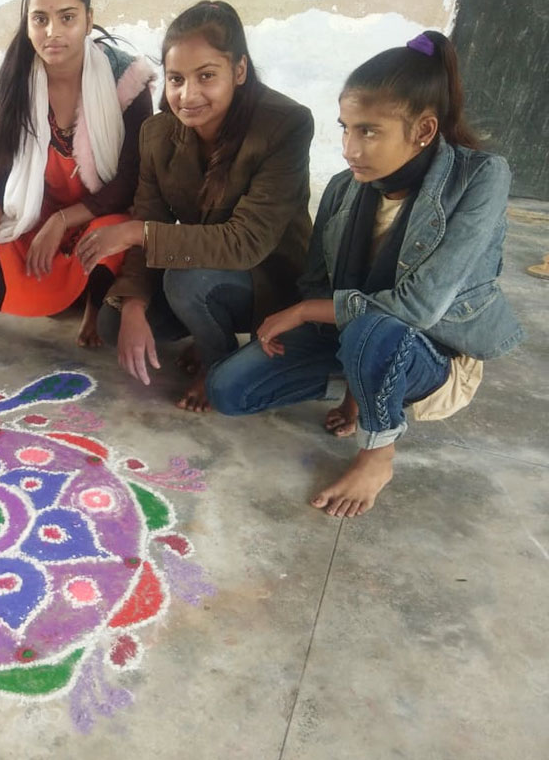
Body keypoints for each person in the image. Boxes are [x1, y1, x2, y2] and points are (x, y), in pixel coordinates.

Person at [208, 31, 524, 517]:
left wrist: (305, 311)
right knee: (228, 391)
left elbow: (418, 307)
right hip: (354, 337)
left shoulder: (479, 178)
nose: (350, 149)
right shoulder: (343, 188)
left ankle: (378, 453)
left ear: (423, 130)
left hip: (429, 351)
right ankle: (361, 383)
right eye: (346, 129)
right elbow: (317, 282)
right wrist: (313, 325)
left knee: (377, 327)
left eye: (369, 132)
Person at [92, 0, 313, 411]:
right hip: (199, 271)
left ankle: (219, 363)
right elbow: (149, 217)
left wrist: (139, 233)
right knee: (114, 321)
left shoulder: (285, 125)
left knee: (184, 281)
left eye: (206, 76)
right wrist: (135, 302)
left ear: (239, 71)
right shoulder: (157, 134)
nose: (187, 95)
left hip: (267, 279)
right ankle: (202, 326)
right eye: (176, 79)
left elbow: (245, 243)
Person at [0, 0, 155, 346]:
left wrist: (62, 221)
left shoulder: (126, 80)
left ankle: (93, 302)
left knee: (111, 235)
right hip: (38, 216)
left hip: (102, 215)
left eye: (67, 18)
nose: (52, 32)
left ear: (88, 20)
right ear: (28, 24)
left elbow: (130, 182)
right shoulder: (16, 80)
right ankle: (68, 286)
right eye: (40, 19)